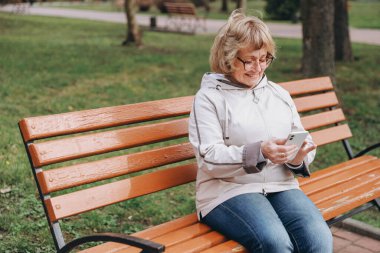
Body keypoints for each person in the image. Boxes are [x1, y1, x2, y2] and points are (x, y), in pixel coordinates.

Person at [188, 9, 333, 253]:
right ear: (228, 57)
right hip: (227, 190)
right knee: (275, 243)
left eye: (264, 58)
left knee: (319, 240)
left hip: (281, 185)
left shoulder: (278, 94)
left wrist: (298, 158)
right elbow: (208, 156)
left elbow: (300, 137)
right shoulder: (209, 99)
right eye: (249, 60)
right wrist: (260, 152)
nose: (258, 67)